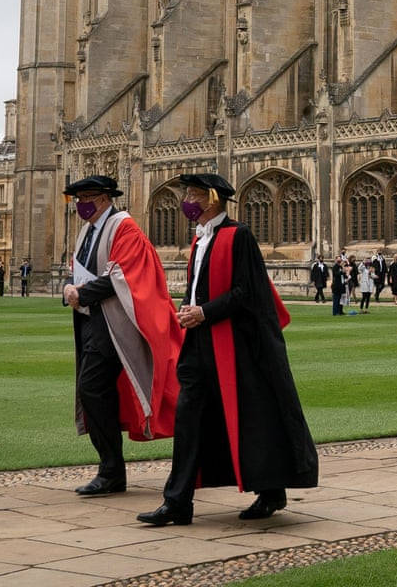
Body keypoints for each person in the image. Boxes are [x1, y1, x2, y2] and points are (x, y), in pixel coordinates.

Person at [137, 172, 318, 526]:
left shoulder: (239, 236)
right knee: (189, 420)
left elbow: (248, 292)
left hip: (236, 346)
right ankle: (177, 502)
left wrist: (204, 311)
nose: (187, 201)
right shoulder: (199, 240)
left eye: (193, 195)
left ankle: (270, 491)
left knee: (254, 418)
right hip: (199, 344)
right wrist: (190, 309)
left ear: (212, 199)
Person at [60, 174, 180, 496]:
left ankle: (112, 471)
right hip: (91, 320)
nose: (80, 205)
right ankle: (111, 469)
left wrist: (82, 294)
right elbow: (82, 271)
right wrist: (70, 288)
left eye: (86, 198)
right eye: (77, 199)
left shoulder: (124, 227)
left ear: (103, 198)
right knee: (94, 391)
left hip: (116, 322)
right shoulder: (87, 231)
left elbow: (122, 275)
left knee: (92, 387)